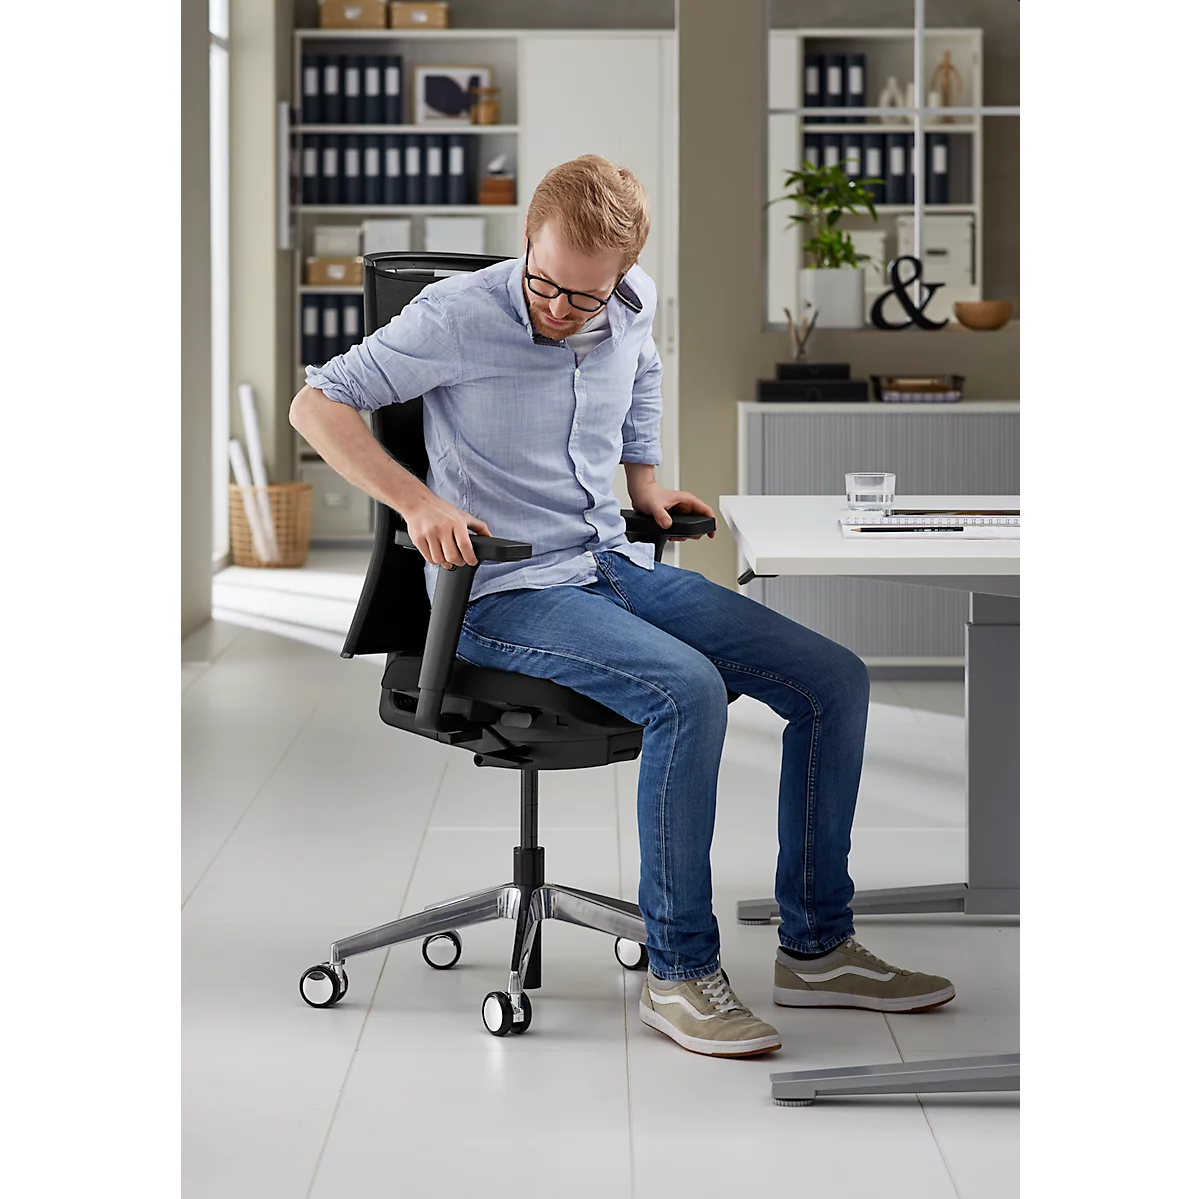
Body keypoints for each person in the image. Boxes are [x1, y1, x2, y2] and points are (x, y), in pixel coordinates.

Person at [290, 154, 955, 1058]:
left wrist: (643, 483)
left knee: (832, 679)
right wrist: (419, 503)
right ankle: (680, 974)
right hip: (504, 590)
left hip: (606, 564)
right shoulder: (454, 317)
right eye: (548, 285)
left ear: (623, 274)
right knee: (686, 690)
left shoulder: (627, 302)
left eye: (586, 298)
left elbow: (640, 376)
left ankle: (818, 948)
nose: (562, 310)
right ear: (528, 241)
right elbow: (317, 403)